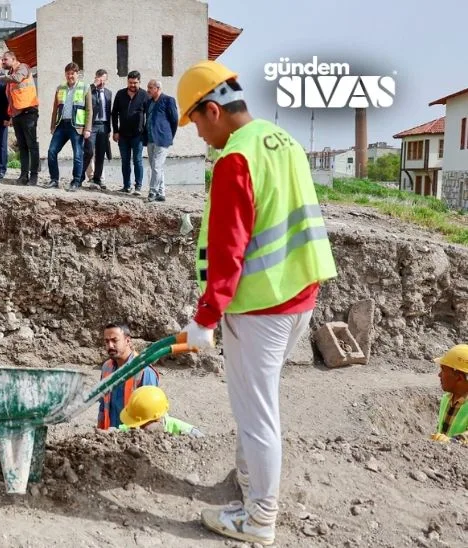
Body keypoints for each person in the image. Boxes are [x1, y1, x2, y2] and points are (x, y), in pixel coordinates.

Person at [176, 59, 338, 546]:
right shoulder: (281, 139)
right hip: (299, 294)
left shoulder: (235, 159)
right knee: (259, 406)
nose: (200, 136)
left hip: (260, 304)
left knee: (257, 415)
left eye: (196, 123)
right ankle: (249, 488)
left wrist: (206, 316)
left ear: (212, 110)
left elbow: (229, 247)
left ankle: (259, 519)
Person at [97, 323, 159, 430]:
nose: (110, 345)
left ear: (128, 341)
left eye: (114, 340)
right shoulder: (106, 367)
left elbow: (151, 417)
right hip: (109, 438)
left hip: (133, 440)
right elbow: (103, 406)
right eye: (107, 341)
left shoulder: (144, 371)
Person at [47, 63, 92, 191]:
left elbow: (89, 109)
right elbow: (55, 108)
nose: (70, 76)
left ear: (77, 74)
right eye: (68, 73)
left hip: (76, 126)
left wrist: (87, 128)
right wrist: (52, 126)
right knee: (51, 151)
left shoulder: (85, 87)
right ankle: (54, 180)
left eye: (72, 73)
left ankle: (76, 181)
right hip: (61, 125)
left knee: (78, 154)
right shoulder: (60, 88)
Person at [0, 51, 39, 186]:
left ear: (13, 59)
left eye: (5, 59)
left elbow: (17, 78)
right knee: (22, 147)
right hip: (17, 115)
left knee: (32, 145)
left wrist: (0, 78)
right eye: (2, 60)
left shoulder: (23, 68)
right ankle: (23, 176)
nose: (3, 62)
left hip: (28, 112)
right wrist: (10, 115)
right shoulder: (10, 75)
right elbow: (12, 98)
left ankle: (33, 176)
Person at [111, 71, 147, 195]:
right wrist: (115, 131)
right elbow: (114, 113)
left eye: (135, 83)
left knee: (137, 160)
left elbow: (149, 114)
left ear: (139, 82)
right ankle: (126, 186)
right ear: (127, 81)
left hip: (138, 135)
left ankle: (138, 186)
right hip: (123, 135)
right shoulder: (120, 94)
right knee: (125, 161)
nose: (132, 85)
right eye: (130, 82)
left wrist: (145, 132)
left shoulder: (144, 95)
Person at [118, 386, 204, 437]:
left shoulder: (188, 432)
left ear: (158, 419)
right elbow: (118, 431)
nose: (139, 430)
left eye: (142, 426)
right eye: (136, 425)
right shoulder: (133, 427)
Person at [144, 80, 179, 202]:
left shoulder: (168, 100)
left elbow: (174, 120)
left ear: (157, 88)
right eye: (148, 87)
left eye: (150, 87)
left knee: (157, 166)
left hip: (162, 139)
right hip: (150, 139)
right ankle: (161, 192)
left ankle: (152, 192)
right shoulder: (149, 102)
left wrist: (169, 135)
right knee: (156, 166)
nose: (147, 90)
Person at [431, 344, 468, 443]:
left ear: (459, 378)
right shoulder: (446, 399)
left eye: (443, 369)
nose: (439, 375)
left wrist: (452, 441)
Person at [84, 69, 113, 189]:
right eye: (99, 78)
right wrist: (94, 85)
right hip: (92, 125)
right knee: (89, 151)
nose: (101, 81)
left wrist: (109, 129)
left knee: (101, 154)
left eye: (103, 79)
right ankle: (81, 176)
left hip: (104, 125)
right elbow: (83, 95)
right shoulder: (90, 90)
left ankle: (97, 179)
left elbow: (109, 110)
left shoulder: (108, 93)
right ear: (96, 78)